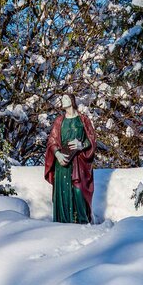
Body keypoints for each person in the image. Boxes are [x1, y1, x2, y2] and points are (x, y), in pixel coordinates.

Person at [44, 93, 96, 223]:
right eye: (61, 99)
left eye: (66, 98)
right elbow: (52, 141)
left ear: (72, 101)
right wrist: (57, 154)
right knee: (63, 194)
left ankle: (82, 223)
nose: (63, 100)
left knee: (79, 192)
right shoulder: (59, 121)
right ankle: (63, 224)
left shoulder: (83, 120)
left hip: (79, 162)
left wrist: (82, 145)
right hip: (62, 162)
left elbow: (92, 140)